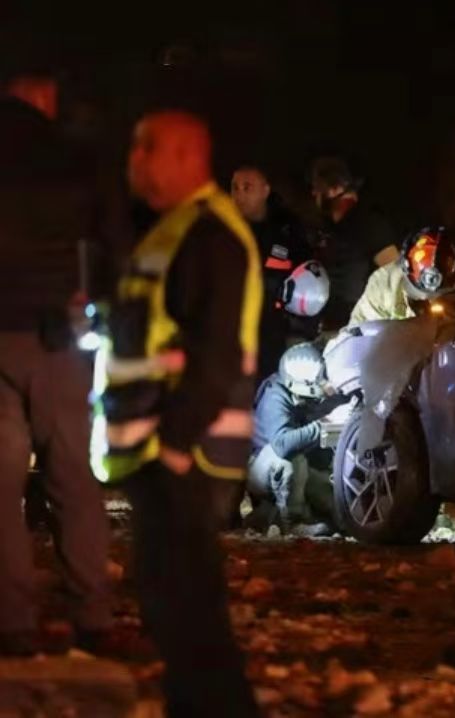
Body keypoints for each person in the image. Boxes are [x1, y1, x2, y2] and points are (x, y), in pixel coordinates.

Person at [96, 109, 259, 715]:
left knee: (190, 611)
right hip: (165, 451)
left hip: (186, 454)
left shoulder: (208, 235)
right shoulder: (175, 229)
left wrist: (173, 444)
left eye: (148, 148)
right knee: (174, 606)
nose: (134, 161)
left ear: (189, 156)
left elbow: (217, 354)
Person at [0, 68, 113, 656]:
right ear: (45, 93)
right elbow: (109, 239)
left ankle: (12, 622)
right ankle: (91, 615)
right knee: (71, 476)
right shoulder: (72, 155)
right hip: (56, 334)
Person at [246, 343, 342, 536]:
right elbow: (282, 444)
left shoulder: (300, 393)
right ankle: (293, 523)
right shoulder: (275, 396)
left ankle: (266, 516)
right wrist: (323, 425)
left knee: (331, 496)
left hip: (296, 468)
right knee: (292, 459)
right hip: (260, 466)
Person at [230, 165, 312, 380]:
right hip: (232, 328)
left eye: (247, 187)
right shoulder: (223, 227)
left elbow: (308, 278)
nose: (239, 194)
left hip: (275, 329)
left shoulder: (288, 228)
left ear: (265, 191)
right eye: (235, 188)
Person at [308, 156, 399, 327]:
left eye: (317, 188)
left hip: (361, 329)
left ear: (335, 189)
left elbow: (394, 273)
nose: (314, 194)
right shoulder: (328, 229)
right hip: (328, 326)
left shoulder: (369, 223)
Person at [348, 226, 455, 326]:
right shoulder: (384, 285)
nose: (426, 301)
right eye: (418, 299)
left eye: (436, 297)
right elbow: (356, 334)